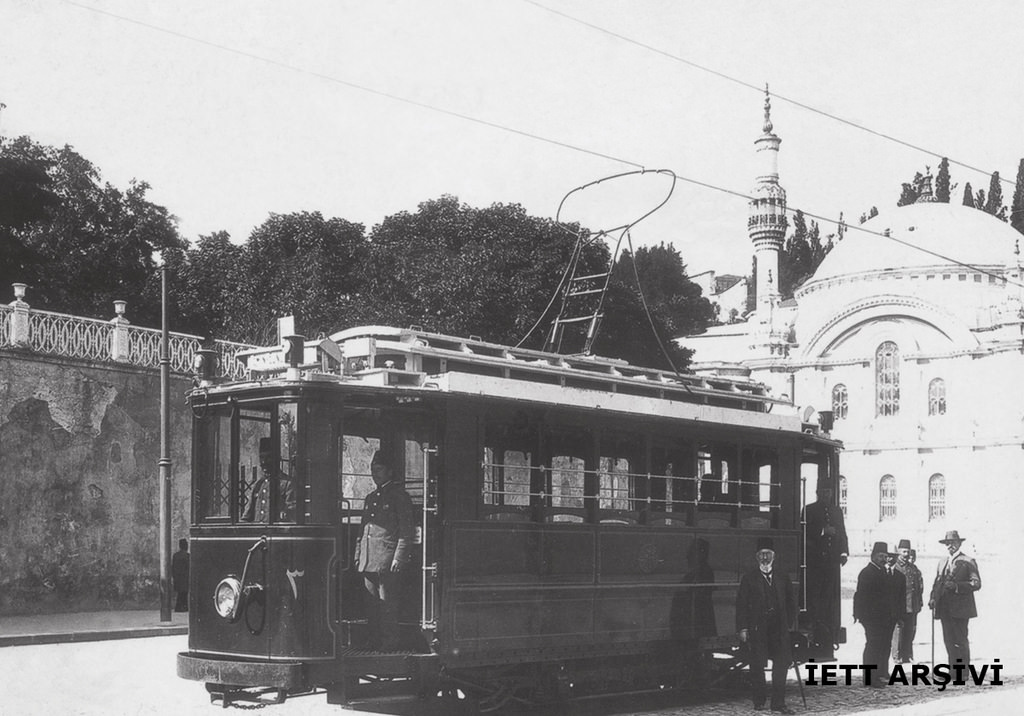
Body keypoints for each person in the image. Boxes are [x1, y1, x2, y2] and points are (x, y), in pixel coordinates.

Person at [354, 451, 414, 651]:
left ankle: (389, 646)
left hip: (387, 560)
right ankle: (374, 643)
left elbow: (406, 531)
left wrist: (399, 557)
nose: (374, 473)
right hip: (369, 559)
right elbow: (363, 530)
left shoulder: (399, 497)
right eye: (372, 470)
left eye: (379, 469)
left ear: (390, 471)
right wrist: (358, 555)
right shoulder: (371, 497)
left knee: (387, 607)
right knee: (371, 606)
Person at [736, 537, 796, 714]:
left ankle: (778, 703)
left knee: (781, 666)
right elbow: (741, 604)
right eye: (761, 554)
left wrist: (788, 624)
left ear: (774, 556)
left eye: (768, 554)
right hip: (758, 629)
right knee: (757, 666)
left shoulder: (782, 576)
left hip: (778, 629)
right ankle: (759, 700)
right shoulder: (749, 578)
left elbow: (791, 603)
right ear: (757, 557)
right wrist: (743, 628)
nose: (764, 557)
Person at [802, 474, 849, 646]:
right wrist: (822, 531)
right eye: (822, 491)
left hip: (832, 562)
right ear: (817, 492)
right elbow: (804, 534)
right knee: (815, 595)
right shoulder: (809, 510)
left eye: (828, 491)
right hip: (815, 562)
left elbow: (842, 532)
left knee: (829, 596)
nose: (826, 494)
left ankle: (828, 626)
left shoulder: (836, 511)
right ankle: (815, 625)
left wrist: (844, 552)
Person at [928, 530, 981, 666]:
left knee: (960, 640)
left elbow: (976, 583)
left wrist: (957, 586)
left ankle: (962, 672)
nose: (950, 546)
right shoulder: (942, 562)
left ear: (959, 544)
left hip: (961, 609)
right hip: (944, 608)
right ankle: (953, 670)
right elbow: (937, 583)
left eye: (953, 543)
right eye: (947, 543)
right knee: (949, 640)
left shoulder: (968, 561)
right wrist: (933, 597)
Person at [853, 541, 903, 686]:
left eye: (885, 556)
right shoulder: (867, 573)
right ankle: (870, 678)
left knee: (881, 645)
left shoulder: (881, 571)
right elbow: (861, 597)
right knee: (873, 646)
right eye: (880, 556)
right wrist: (862, 617)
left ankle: (879, 674)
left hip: (883, 618)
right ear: (873, 556)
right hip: (872, 619)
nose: (883, 559)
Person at [243, 437, 295, 522]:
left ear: (277, 459)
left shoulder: (287, 484)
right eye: (261, 457)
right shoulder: (258, 485)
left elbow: (292, 518)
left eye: (268, 457)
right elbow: (246, 517)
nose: (264, 462)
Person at [891, 539, 923, 663]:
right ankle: (897, 656)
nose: (906, 554)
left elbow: (919, 587)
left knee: (910, 630)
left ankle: (908, 655)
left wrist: (919, 602)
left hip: (912, 605)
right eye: (904, 551)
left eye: (908, 552)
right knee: (898, 630)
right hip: (900, 605)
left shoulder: (913, 568)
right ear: (898, 552)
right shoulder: (895, 567)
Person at [172, 538, 190, 612]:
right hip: (185, 577)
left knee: (180, 593)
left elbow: (173, 567)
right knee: (184, 594)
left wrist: (174, 576)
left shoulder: (175, 555)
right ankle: (183, 607)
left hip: (178, 577)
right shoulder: (187, 556)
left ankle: (180, 607)